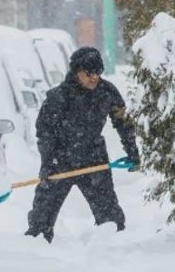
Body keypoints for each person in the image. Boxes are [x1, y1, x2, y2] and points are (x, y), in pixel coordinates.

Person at [25, 47, 140, 243]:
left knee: (110, 218)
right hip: (59, 161)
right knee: (40, 219)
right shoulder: (58, 97)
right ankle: (37, 253)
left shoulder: (106, 92)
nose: (94, 78)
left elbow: (123, 122)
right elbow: (44, 133)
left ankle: (114, 255)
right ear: (76, 72)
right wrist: (47, 163)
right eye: (88, 74)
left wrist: (132, 152)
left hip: (94, 160)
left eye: (98, 73)